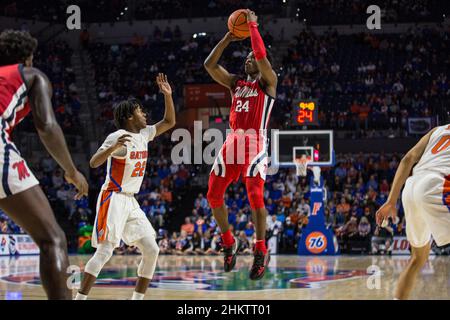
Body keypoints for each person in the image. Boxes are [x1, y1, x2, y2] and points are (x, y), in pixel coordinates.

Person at [0, 30, 88, 300]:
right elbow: (47, 126)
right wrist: (72, 171)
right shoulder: (31, 75)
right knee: (53, 240)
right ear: (28, 58)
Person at [75, 73, 175, 300]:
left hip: (131, 200)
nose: (145, 114)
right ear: (130, 116)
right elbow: (94, 162)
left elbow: (169, 122)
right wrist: (111, 150)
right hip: (113, 197)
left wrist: (168, 96)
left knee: (152, 249)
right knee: (105, 251)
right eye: (140, 111)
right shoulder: (118, 136)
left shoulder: (145, 134)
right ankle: (79, 299)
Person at [204, 9, 277, 280]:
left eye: (251, 58)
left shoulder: (269, 83)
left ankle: (260, 249)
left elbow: (259, 54)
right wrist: (227, 38)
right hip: (232, 140)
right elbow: (209, 66)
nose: (247, 59)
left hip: (255, 141)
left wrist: (254, 26)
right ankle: (228, 241)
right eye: (245, 57)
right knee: (213, 194)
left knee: (255, 195)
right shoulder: (236, 83)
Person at [376, 123, 450, 300]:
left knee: (418, 258)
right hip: (437, 185)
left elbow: (407, 159)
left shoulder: (438, 130)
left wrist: (391, 201)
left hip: (411, 187)